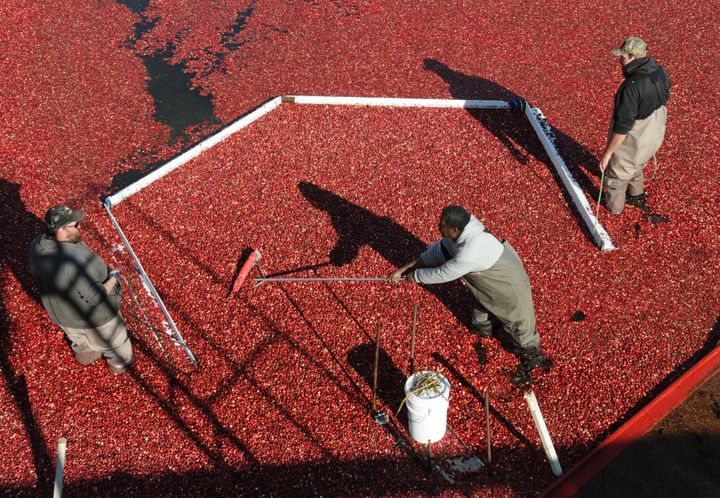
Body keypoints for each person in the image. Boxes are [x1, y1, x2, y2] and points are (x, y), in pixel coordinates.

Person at [387, 206, 551, 386]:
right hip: (486, 280)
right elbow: (437, 252)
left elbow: (444, 273)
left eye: (442, 225)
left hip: (509, 281)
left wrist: (416, 276)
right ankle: (485, 328)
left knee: (517, 317)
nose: (438, 227)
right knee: (483, 304)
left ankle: (531, 354)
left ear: (455, 230)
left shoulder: (470, 250)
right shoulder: (459, 234)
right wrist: (404, 270)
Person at [28, 205, 134, 374]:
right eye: (76, 225)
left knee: (79, 340)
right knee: (116, 342)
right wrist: (114, 277)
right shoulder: (72, 263)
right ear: (61, 229)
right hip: (97, 320)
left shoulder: (37, 244)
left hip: (64, 316)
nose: (80, 227)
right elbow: (96, 296)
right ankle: (119, 365)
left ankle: (86, 357)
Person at [599, 37, 670, 214]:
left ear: (634, 56)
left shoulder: (630, 87)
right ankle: (636, 195)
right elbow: (665, 96)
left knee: (618, 173)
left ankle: (615, 209)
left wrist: (608, 153)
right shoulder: (659, 71)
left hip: (637, 134)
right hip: (655, 129)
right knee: (638, 162)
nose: (619, 60)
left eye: (623, 56)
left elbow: (623, 127)